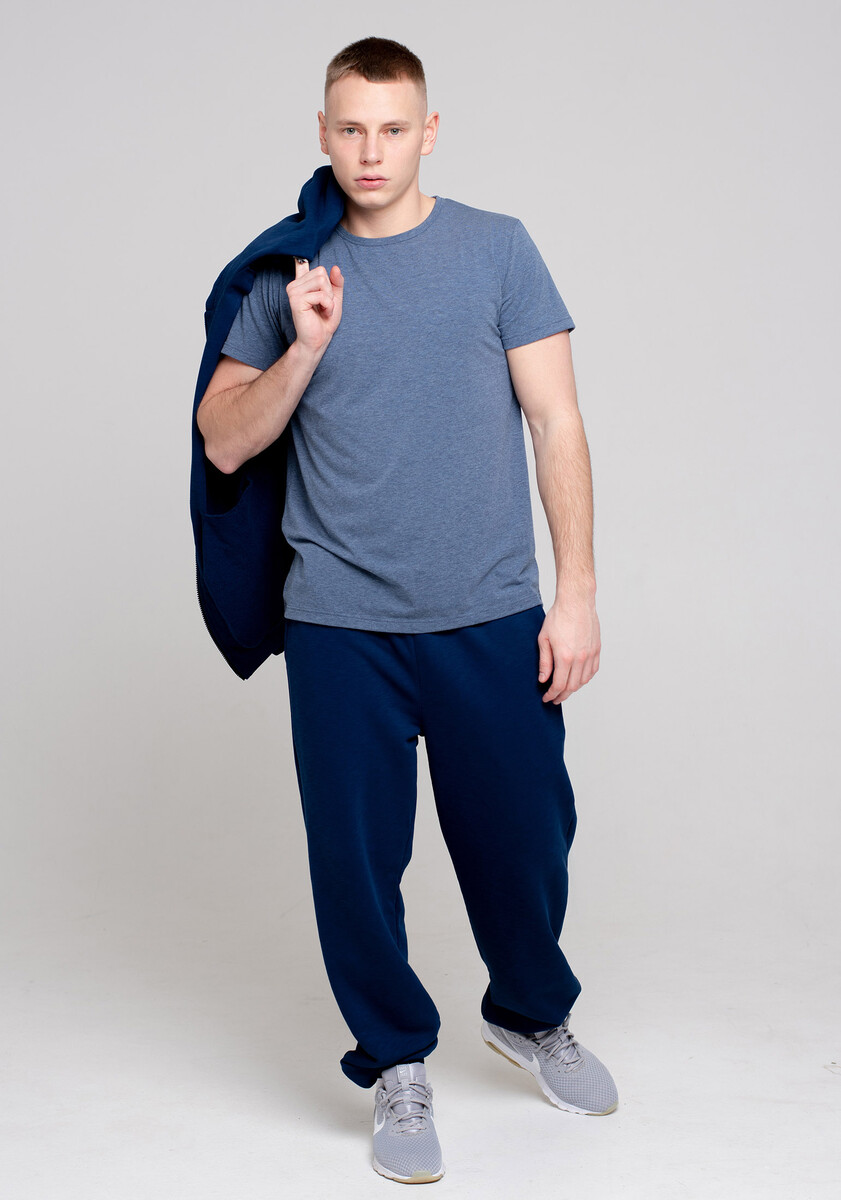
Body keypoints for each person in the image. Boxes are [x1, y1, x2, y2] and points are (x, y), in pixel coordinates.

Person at [196, 34, 617, 1187]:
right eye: (350, 128)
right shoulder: (285, 274)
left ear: (427, 132)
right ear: (322, 134)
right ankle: (393, 1060)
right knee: (355, 861)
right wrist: (304, 349)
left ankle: (529, 1014)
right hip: (340, 622)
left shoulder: (498, 249)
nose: (370, 151)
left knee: (526, 836)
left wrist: (576, 595)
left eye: (392, 129)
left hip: (489, 610)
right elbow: (224, 440)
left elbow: (557, 421)